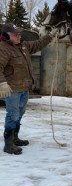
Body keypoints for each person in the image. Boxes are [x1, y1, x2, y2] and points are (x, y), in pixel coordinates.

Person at [0, 23, 58, 155]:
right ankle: (8, 144)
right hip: (12, 89)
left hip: (24, 88)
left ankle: (15, 138)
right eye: (16, 34)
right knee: (13, 115)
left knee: (20, 113)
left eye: (19, 34)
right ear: (7, 36)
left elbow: (38, 44)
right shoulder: (3, 48)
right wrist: (2, 83)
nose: (19, 36)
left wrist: (50, 35)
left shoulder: (24, 45)